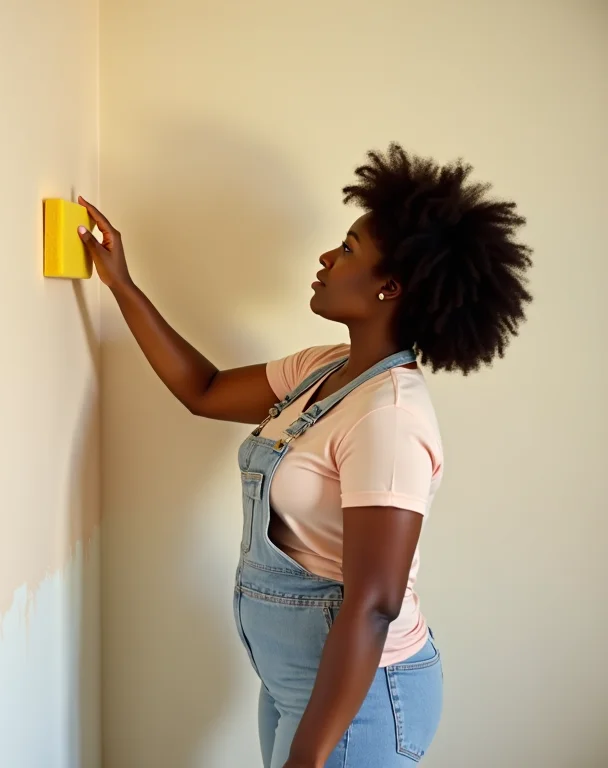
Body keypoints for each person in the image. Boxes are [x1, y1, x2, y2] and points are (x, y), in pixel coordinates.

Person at [76, 143, 533, 768]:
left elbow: (375, 603)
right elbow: (203, 390)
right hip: (297, 681)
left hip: (360, 703)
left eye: (347, 249)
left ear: (390, 287)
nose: (326, 258)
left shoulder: (389, 417)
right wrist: (121, 285)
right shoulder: (324, 368)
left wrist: (310, 753)